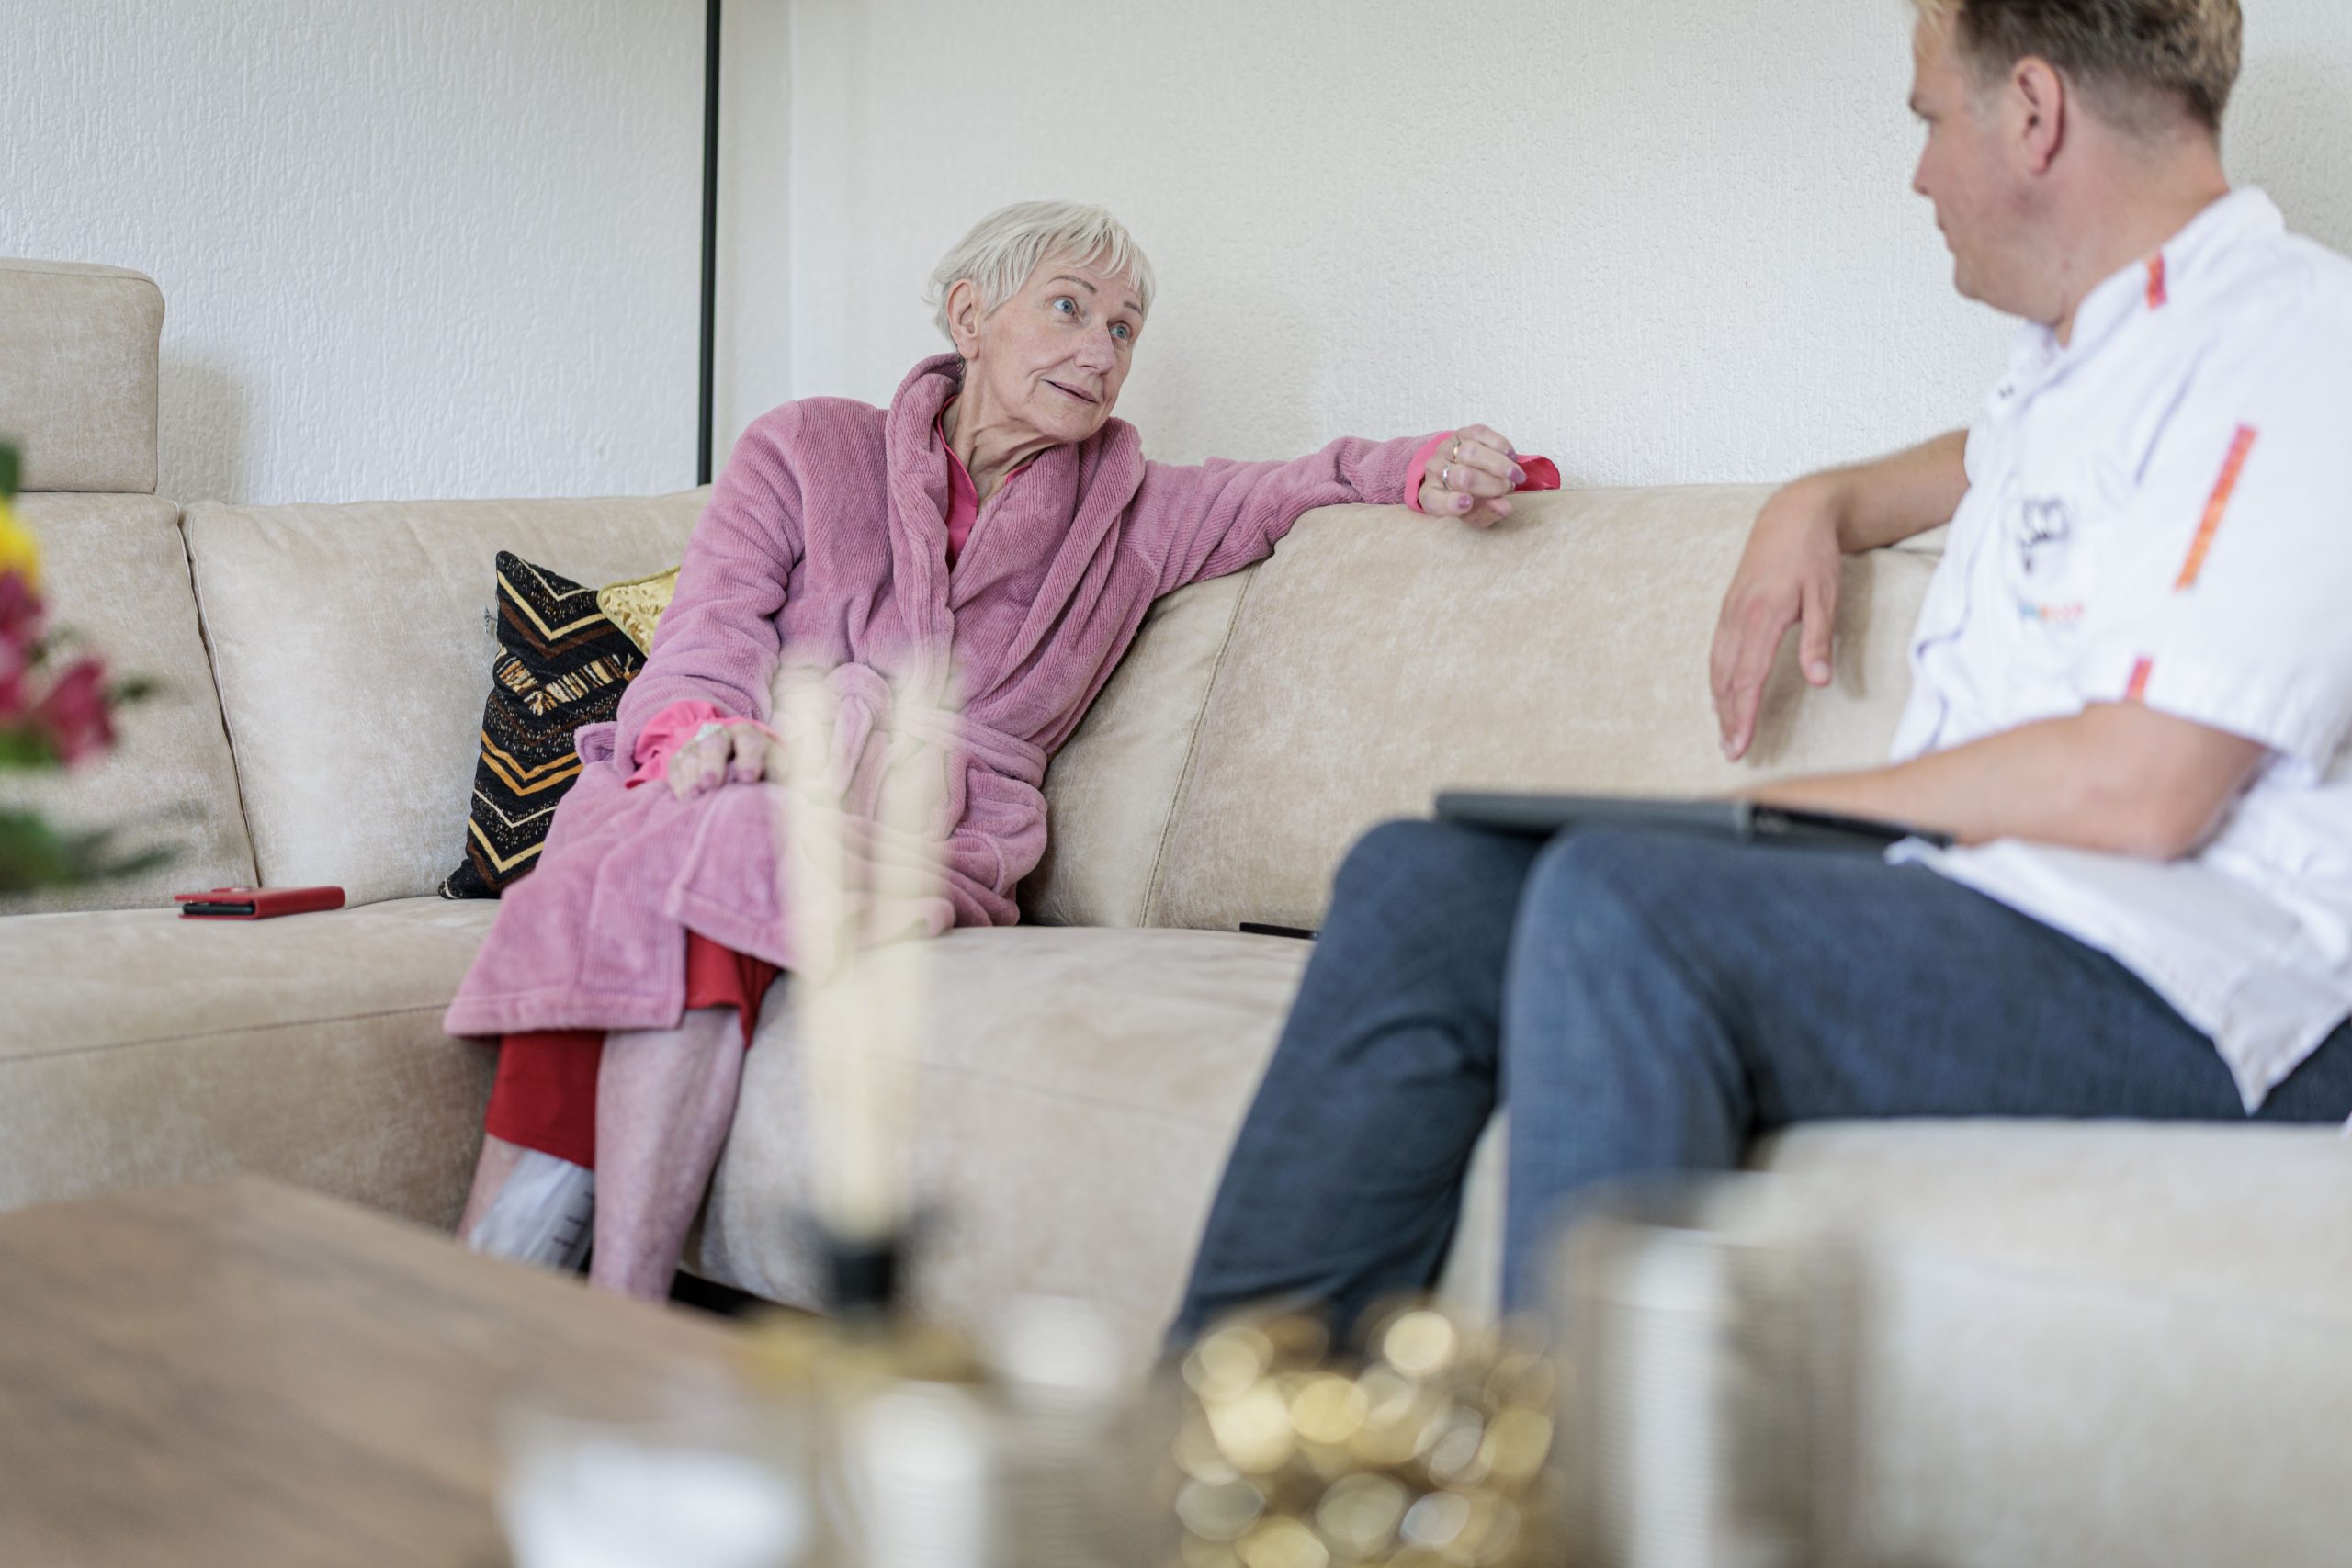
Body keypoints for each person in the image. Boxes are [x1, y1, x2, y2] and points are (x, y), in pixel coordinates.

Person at [1173, 0, 2352, 1344]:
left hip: (2206, 986)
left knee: (1626, 901)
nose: (1917, 173)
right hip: (2004, 909)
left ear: (2032, 112)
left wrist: (1800, 815)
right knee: (1420, 879)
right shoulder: (2078, 360)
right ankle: (1229, 1475)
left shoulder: (2300, 344)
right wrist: (1821, 497)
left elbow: (2147, 789)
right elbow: (1979, 459)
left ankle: (1583, 1520)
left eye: (1927, 119)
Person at [444, 200, 1541, 1299]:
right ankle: (521, 1282)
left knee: (704, 843)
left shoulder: (1137, 510)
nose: (1100, 350)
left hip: (927, 821)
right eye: (1068, 307)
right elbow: (710, 628)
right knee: (676, 826)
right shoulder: (805, 446)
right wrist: (710, 735)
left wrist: (1432, 463)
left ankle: (588, 1297)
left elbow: (1302, 481)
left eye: (1124, 330)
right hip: (742, 765)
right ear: (971, 316)